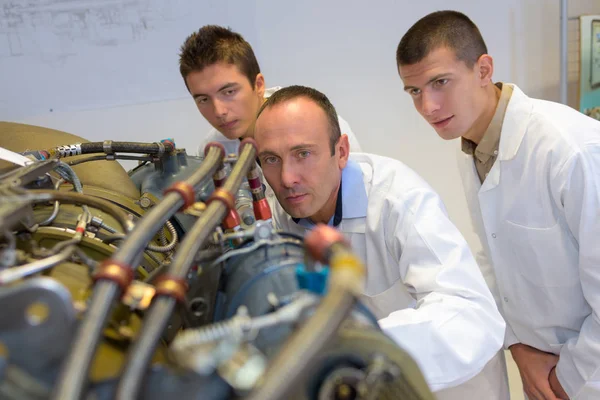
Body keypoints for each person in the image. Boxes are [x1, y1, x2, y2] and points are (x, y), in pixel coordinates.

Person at [253, 85, 508, 399]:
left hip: (450, 387)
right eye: (271, 160)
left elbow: (471, 316)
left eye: (303, 154)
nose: (287, 178)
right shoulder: (280, 214)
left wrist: (351, 346)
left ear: (341, 151)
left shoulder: (398, 199)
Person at [397, 10, 600, 400]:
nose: (428, 107)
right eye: (415, 91)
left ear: (484, 69)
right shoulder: (472, 149)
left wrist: (564, 381)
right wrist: (519, 348)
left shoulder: (572, 151)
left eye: (440, 82)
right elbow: (493, 259)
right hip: (541, 370)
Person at [177, 25, 362, 156]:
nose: (219, 111)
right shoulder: (213, 152)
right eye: (203, 100)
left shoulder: (321, 125)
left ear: (258, 85)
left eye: (229, 92)